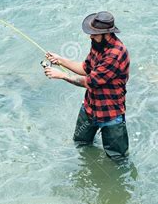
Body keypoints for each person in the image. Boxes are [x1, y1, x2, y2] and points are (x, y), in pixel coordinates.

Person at [44, 11, 130, 162]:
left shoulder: (116, 54)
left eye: (94, 34)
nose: (90, 36)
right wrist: (60, 60)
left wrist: (62, 75)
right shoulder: (98, 45)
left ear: (107, 34)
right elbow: (85, 68)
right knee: (81, 144)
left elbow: (89, 81)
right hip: (90, 108)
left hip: (110, 114)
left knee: (118, 160)